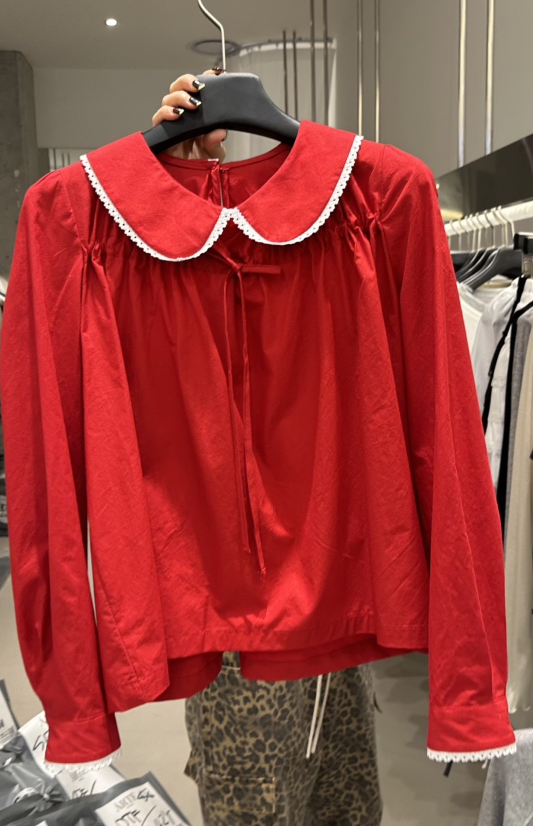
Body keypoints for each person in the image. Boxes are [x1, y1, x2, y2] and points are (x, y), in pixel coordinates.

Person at [151, 73, 383, 826]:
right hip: (231, 606)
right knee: (257, 799)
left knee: (343, 792)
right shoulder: (153, 260)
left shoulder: (348, 224)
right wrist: (171, 188)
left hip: (332, 588)